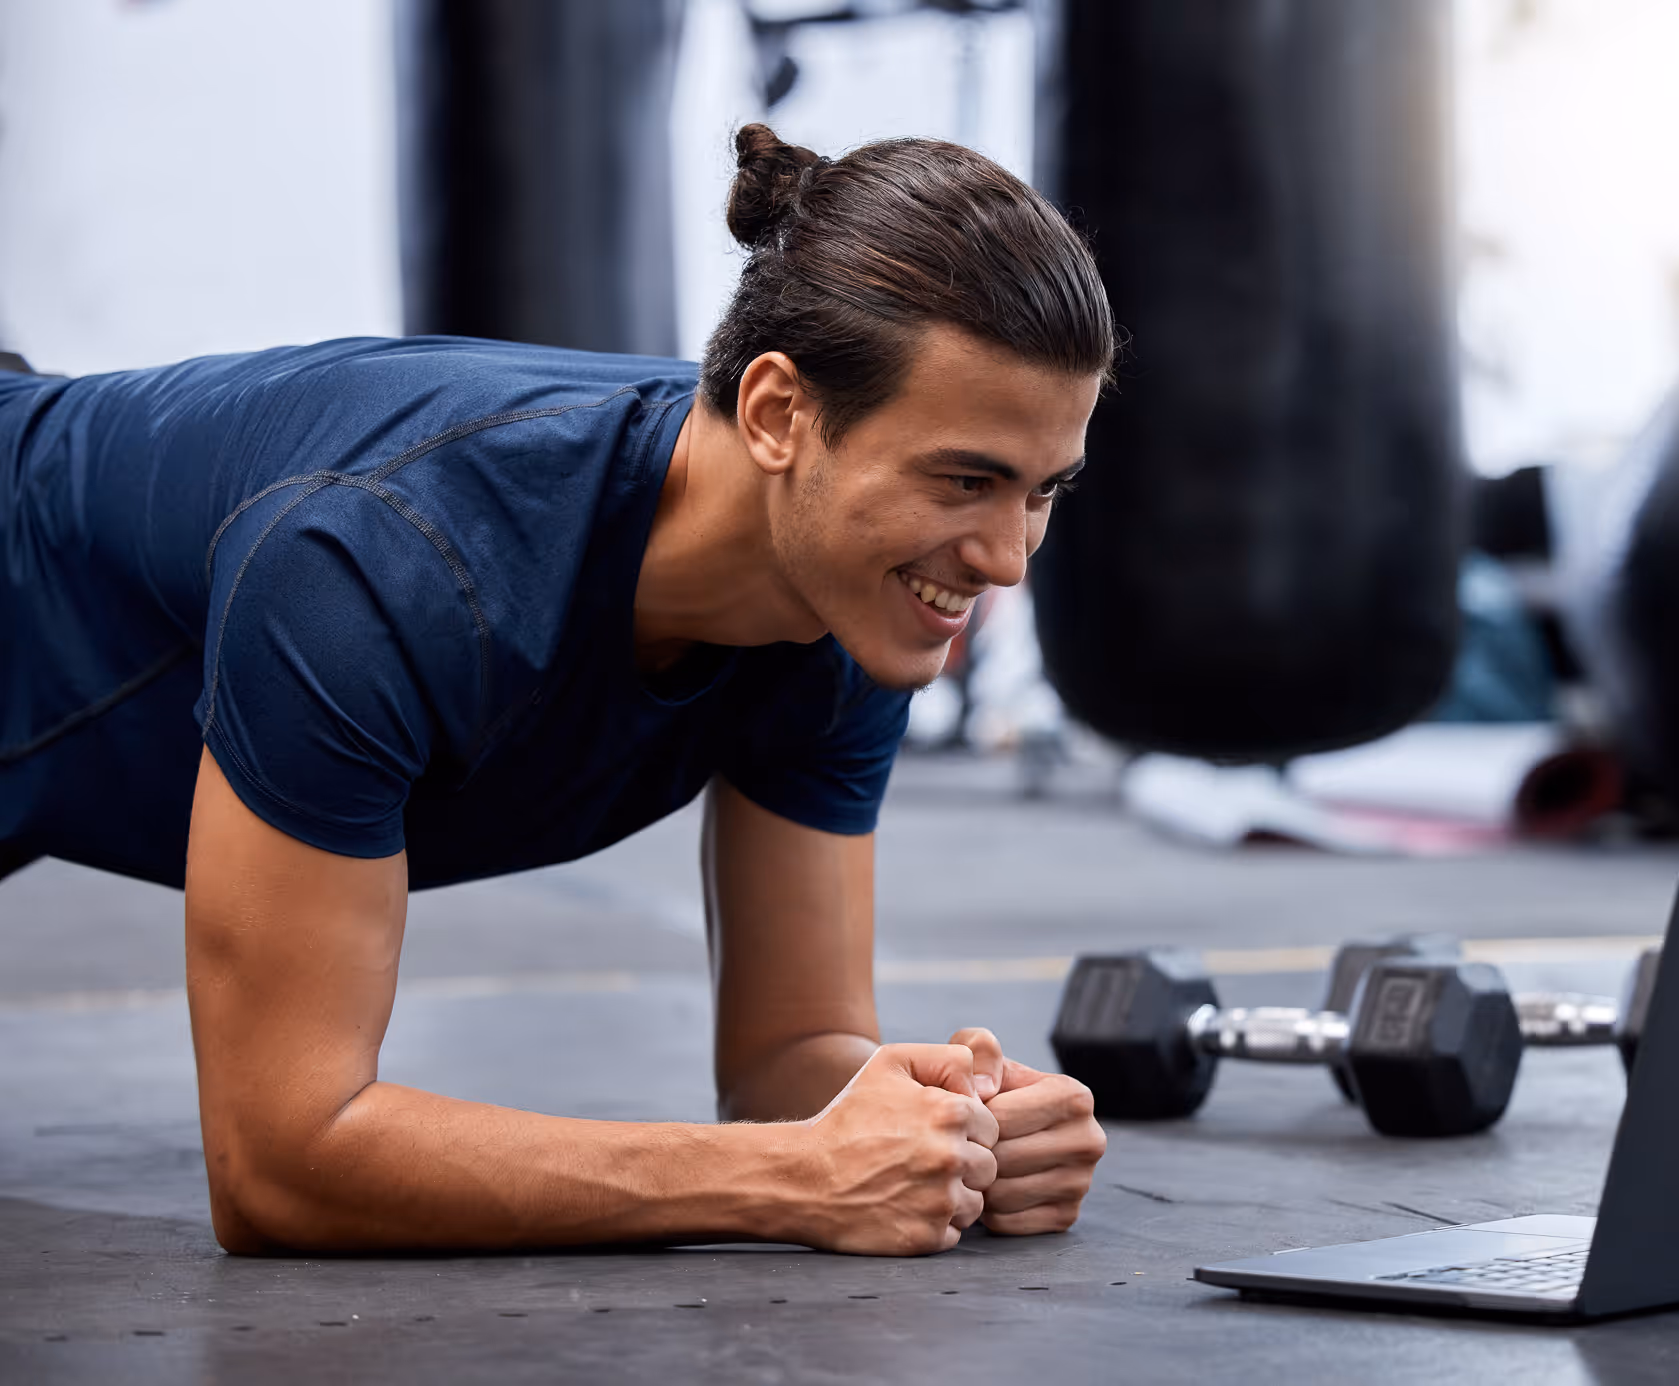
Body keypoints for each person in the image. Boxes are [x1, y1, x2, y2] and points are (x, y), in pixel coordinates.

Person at [0, 125, 1114, 1255]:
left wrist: (959, 1131)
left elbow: (796, 1049)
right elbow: (282, 1160)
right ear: (781, 415)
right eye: (968, 480)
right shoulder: (383, 559)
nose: (1008, 559)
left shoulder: (848, 596)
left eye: (1040, 491)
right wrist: (788, 1177)